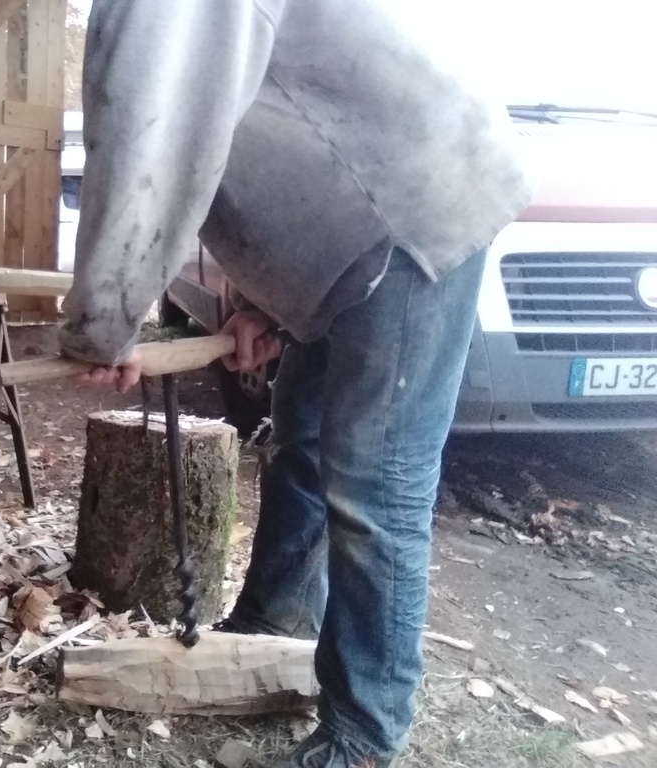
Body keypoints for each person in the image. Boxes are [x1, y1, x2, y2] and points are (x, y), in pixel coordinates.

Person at [58, 2, 532, 766]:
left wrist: (106, 321)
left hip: (402, 208)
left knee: (379, 483)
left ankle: (364, 732)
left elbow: (157, 143)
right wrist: (254, 305)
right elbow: (254, 135)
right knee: (304, 439)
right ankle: (275, 622)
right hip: (351, 217)